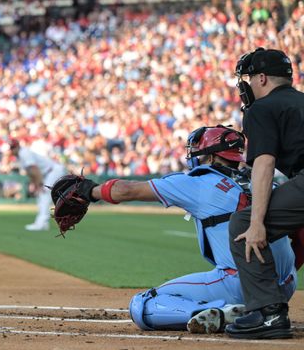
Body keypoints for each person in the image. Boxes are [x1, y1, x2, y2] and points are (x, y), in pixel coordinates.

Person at [87, 125, 297, 334]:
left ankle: (222, 312)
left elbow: (126, 190)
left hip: (240, 285)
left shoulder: (197, 182)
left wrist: (89, 192)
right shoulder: (266, 183)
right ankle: (255, 309)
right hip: (283, 286)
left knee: (142, 304)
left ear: (212, 157)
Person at [226, 48, 304, 339]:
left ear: (261, 78)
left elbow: (264, 162)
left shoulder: (262, 108)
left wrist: (257, 222)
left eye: (248, 78)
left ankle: (269, 313)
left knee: (243, 225)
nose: (245, 85)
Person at [12, 140, 67, 231]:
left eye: (13, 148)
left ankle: (41, 223)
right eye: (11, 148)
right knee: (41, 195)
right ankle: (43, 223)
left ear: (17, 147)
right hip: (47, 173)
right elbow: (30, 172)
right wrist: (36, 184)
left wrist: (40, 184)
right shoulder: (20, 155)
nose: (12, 150)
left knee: (44, 194)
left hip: (53, 171)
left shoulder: (24, 153)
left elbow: (34, 169)